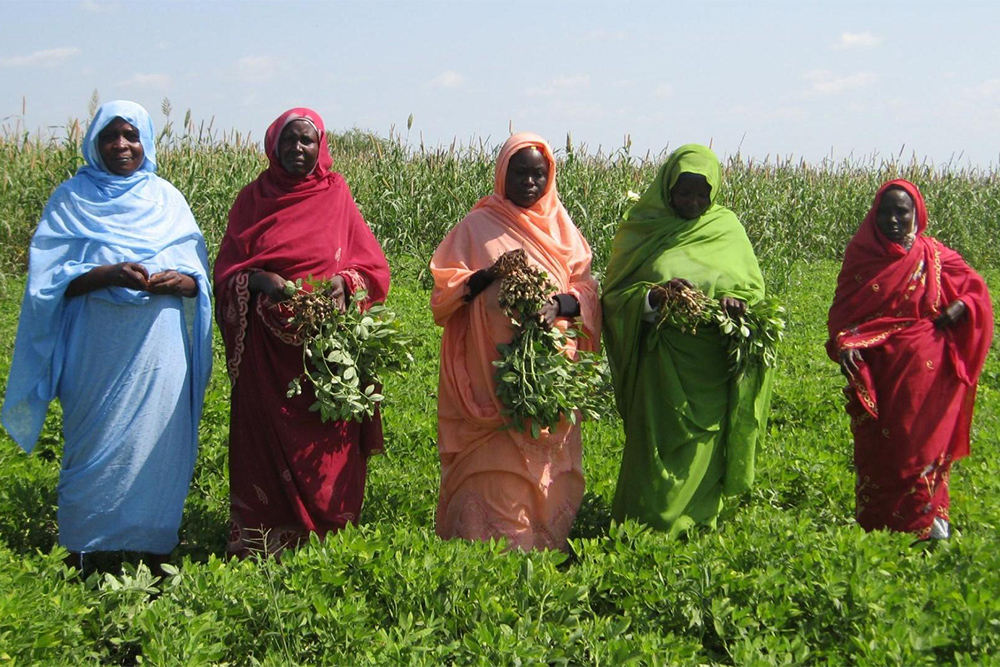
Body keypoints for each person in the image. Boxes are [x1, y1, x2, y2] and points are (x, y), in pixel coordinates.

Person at [1, 100, 213, 574]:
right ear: (94, 144)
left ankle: (154, 551)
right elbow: (49, 282)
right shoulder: (71, 200)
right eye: (111, 136)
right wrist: (108, 274)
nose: (122, 145)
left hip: (157, 347)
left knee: (157, 444)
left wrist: (177, 282)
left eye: (131, 135)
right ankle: (86, 553)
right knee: (91, 444)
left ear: (147, 143)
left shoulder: (168, 201)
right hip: (95, 346)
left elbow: (197, 279)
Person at [214, 108, 390, 558]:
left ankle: (329, 534)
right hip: (265, 354)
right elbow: (226, 270)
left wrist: (344, 283)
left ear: (320, 147)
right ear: (274, 146)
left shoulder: (336, 195)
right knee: (262, 442)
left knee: (329, 440)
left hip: (325, 344)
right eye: (289, 141)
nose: (297, 149)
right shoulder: (253, 199)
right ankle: (262, 537)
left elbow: (372, 267)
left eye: (306, 141)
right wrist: (258, 281)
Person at [430, 132, 601, 551]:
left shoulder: (563, 229)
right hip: (487, 376)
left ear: (550, 177)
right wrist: (489, 275)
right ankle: (489, 559)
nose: (529, 182)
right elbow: (443, 297)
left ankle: (542, 553)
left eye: (537, 174)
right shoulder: (475, 227)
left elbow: (588, 292)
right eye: (519, 172)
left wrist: (558, 305)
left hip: (546, 375)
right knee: (495, 469)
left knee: (543, 467)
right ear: (502, 175)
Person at [602, 144, 773, 537]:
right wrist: (654, 296)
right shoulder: (644, 227)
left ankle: (697, 527)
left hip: (711, 367)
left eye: (702, 193)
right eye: (684, 192)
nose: (693, 201)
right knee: (653, 454)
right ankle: (642, 529)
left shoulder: (727, 230)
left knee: (704, 452)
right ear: (667, 189)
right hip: (661, 367)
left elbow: (754, 292)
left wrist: (737, 303)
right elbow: (613, 297)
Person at [827, 179, 992, 540]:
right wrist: (846, 344)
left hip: (928, 371)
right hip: (881, 371)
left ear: (917, 213)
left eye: (901, 211)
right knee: (884, 450)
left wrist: (960, 306)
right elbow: (842, 314)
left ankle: (929, 527)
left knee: (922, 448)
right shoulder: (862, 255)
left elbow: (976, 291)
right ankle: (881, 526)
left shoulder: (934, 255)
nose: (892, 219)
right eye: (885, 211)